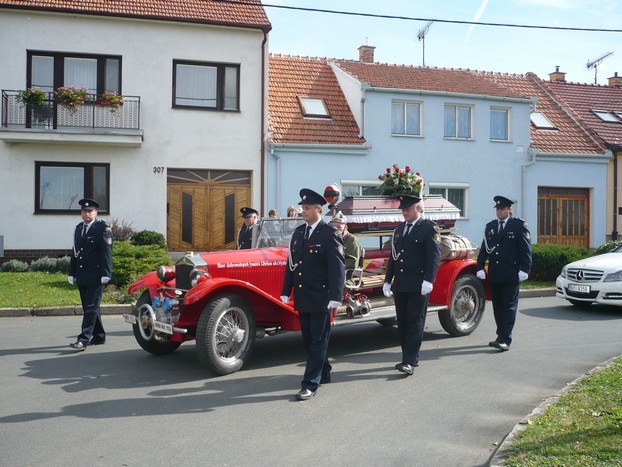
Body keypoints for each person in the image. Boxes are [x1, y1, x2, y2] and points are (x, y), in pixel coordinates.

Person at [281, 188, 345, 400]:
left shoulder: (329, 234)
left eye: (307, 208)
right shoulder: (299, 233)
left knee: (318, 340)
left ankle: (310, 383)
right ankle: (324, 371)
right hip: (303, 296)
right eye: (302, 207)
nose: (303, 211)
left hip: (321, 297)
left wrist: (336, 295)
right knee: (309, 341)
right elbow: (291, 265)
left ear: (319, 209)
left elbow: (337, 268)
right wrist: (285, 290)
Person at [383, 195, 441, 376]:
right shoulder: (399, 230)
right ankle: (409, 356)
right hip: (401, 284)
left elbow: (434, 257)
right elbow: (394, 257)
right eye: (402, 210)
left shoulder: (429, 228)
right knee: (403, 322)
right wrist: (387, 280)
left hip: (418, 283)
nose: (404, 213)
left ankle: (408, 360)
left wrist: (429, 280)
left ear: (417, 208)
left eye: (407, 209)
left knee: (415, 322)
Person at [476, 195, 532, 351]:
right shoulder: (491, 226)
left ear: (509, 210)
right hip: (495, 273)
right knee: (498, 306)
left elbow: (526, 249)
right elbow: (484, 248)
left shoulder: (518, 225)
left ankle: (505, 338)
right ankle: (500, 335)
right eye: (497, 209)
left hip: (511, 273)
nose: (499, 211)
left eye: (502, 209)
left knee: (509, 306)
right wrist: (480, 266)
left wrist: (525, 269)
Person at [68, 198, 113, 351]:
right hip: (82, 275)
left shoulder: (102, 229)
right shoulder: (79, 228)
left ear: (96, 213)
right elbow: (75, 253)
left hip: (96, 275)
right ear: (81, 213)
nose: (87, 214)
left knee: (91, 307)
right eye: (84, 211)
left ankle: (83, 339)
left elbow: (106, 253)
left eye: (90, 211)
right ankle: (99, 336)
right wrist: (71, 272)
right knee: (90, 308)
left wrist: (106, 273)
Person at [329, 211, 363, 283]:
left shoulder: (352, 240)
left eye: (339, 227)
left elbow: (352, 263)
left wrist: (332, 265)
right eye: (333, 226)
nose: (335, 229)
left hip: (345, 277)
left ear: (345, 228)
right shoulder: (327, 238)